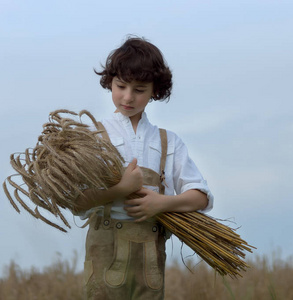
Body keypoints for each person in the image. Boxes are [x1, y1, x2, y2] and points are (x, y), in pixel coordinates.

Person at [75, 36, 214, 300]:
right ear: (110, 83)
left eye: (139, 90)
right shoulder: (92, 137)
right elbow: (77, 202)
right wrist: (120, 189)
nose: (128, 97)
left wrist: (161, 203)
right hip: (103, 255)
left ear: (155, 91)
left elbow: (201, 196)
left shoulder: (168, 142)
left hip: (150, 261)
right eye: (121, 86)